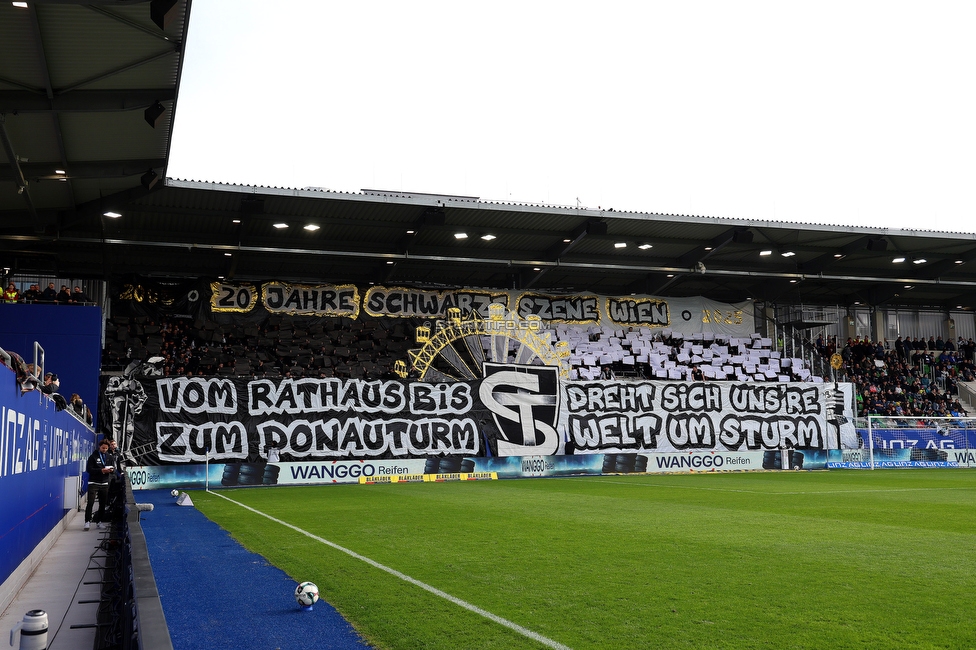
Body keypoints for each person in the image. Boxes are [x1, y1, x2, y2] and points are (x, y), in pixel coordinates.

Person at [84, 439, 113, 530]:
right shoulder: (93, 457)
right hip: (93, 482)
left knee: (102, 504)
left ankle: (99, 522)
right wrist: (101, 470)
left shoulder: (109, 457)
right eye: (103, 448)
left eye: (106, 448)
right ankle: (87, 521)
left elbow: (114, 468)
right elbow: (89, 469)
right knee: (90, 502)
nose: (104, 449)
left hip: (104, 483)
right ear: (99, 447)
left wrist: (111, 470)